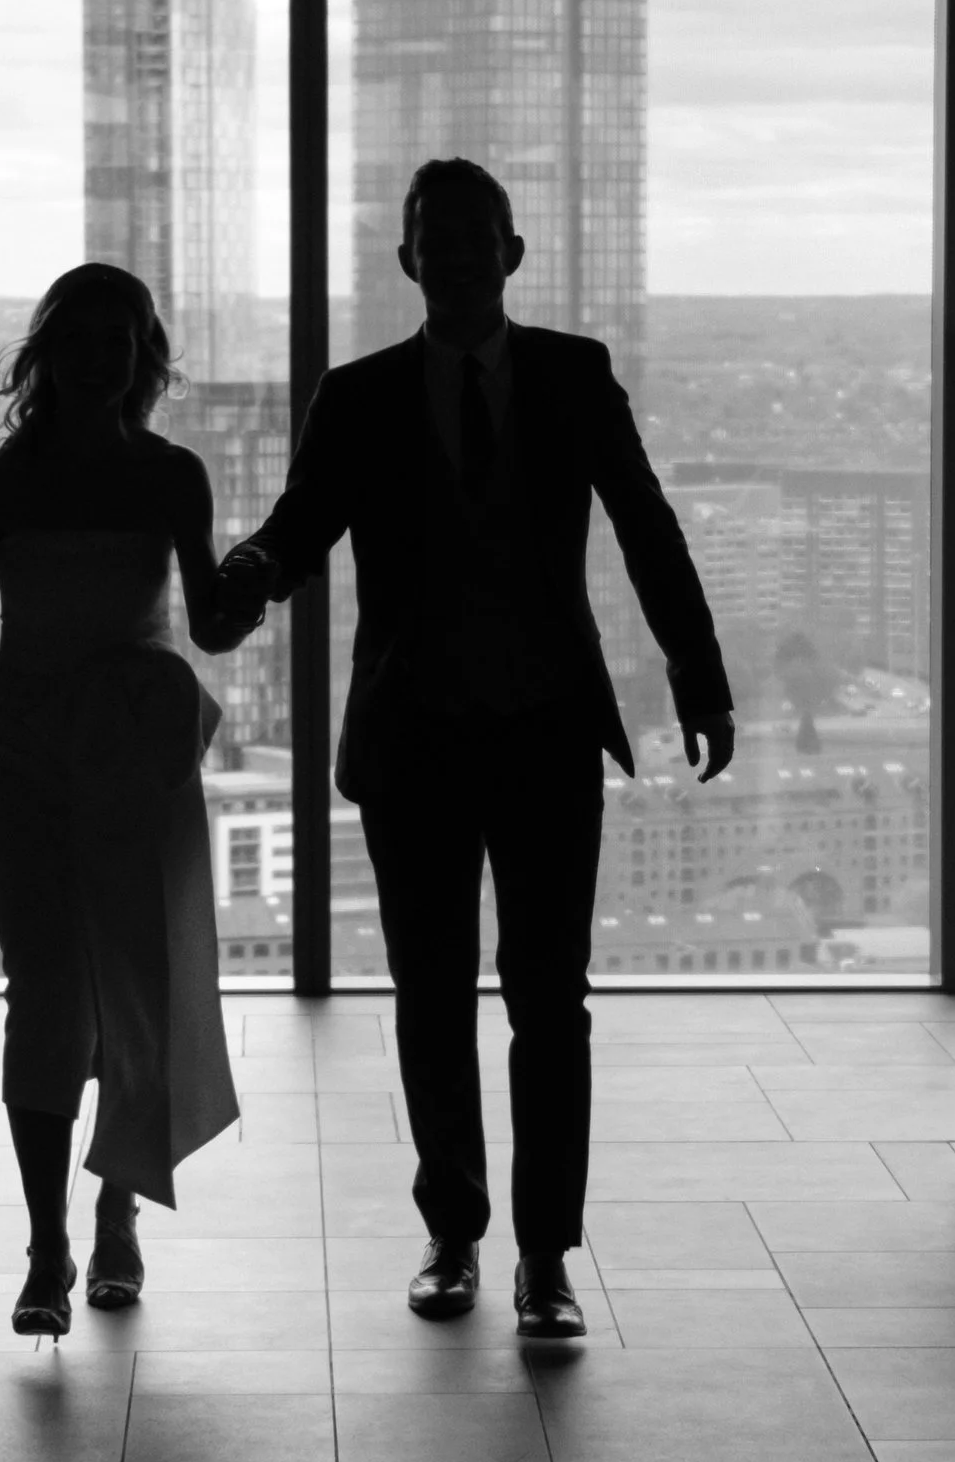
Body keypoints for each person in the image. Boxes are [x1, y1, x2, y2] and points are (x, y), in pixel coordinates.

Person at [218, 159, 734, 1338]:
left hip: (549, 728)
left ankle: (545, 1256)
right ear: (407, 261)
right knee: (430, 996)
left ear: (511, 251)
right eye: (429, 239)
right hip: (416, 739)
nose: (451, 255)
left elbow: (647, 525)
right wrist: (242, 578)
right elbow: (301, 529)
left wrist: (698, 678)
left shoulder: (574, 374)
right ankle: (453, 1231)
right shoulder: (356, 396)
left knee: (550, 1000)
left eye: (471, 236)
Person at [0, 263, 253, 1338]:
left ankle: (117, 1210)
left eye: (118, 339)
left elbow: (213, 621)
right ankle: (49, 1239)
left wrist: (254, 588)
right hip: (31, 753)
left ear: (144, 356)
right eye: (80, 338)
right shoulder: (1, 480)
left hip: (136, 754)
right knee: (43, 991)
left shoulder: (174, 475)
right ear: (49, 352)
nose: (99, 357)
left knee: (133, 983)